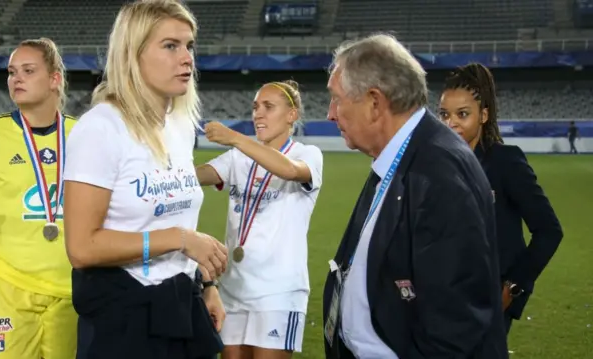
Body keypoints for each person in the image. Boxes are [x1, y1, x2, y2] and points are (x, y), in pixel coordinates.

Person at [321, 33, 509, 359]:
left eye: (336, 99)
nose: (330, 114)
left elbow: (454, 328)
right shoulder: (404, 156)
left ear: (375, 103)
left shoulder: (440, 173)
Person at [62, 1, 228, 358]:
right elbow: (82, 248)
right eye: (170, 46)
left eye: (189, 46)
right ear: (131, 54)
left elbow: (175, 216)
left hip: (181, 304)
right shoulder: (100, 128)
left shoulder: (180, 126)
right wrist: (180, 240)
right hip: (122, 316)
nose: (187, 58)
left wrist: (206, 284)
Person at [0, 38, 78, 359]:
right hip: (7, 285)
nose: (16, 79)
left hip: (74, 289)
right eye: (11, 72)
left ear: (54, 79)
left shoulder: (85, 135)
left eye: (28, 70)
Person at [196, 80, 323, 359]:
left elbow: (290, 171)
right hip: (233, 289)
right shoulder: (236, 159)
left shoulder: (307, 154)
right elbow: (195, 177)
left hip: (277, 293)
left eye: (268, 107)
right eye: (255, 107)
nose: (258, 114)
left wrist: (236, 138)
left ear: (291, 115)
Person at [439, 62, 563, 334]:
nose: (451, 123)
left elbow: (549, 231)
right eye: (444, 114)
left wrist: (511, 290)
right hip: (440, 300)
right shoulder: (438, 165)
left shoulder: (505, 162)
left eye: (462, 114)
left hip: (486, 306)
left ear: (483, 115)